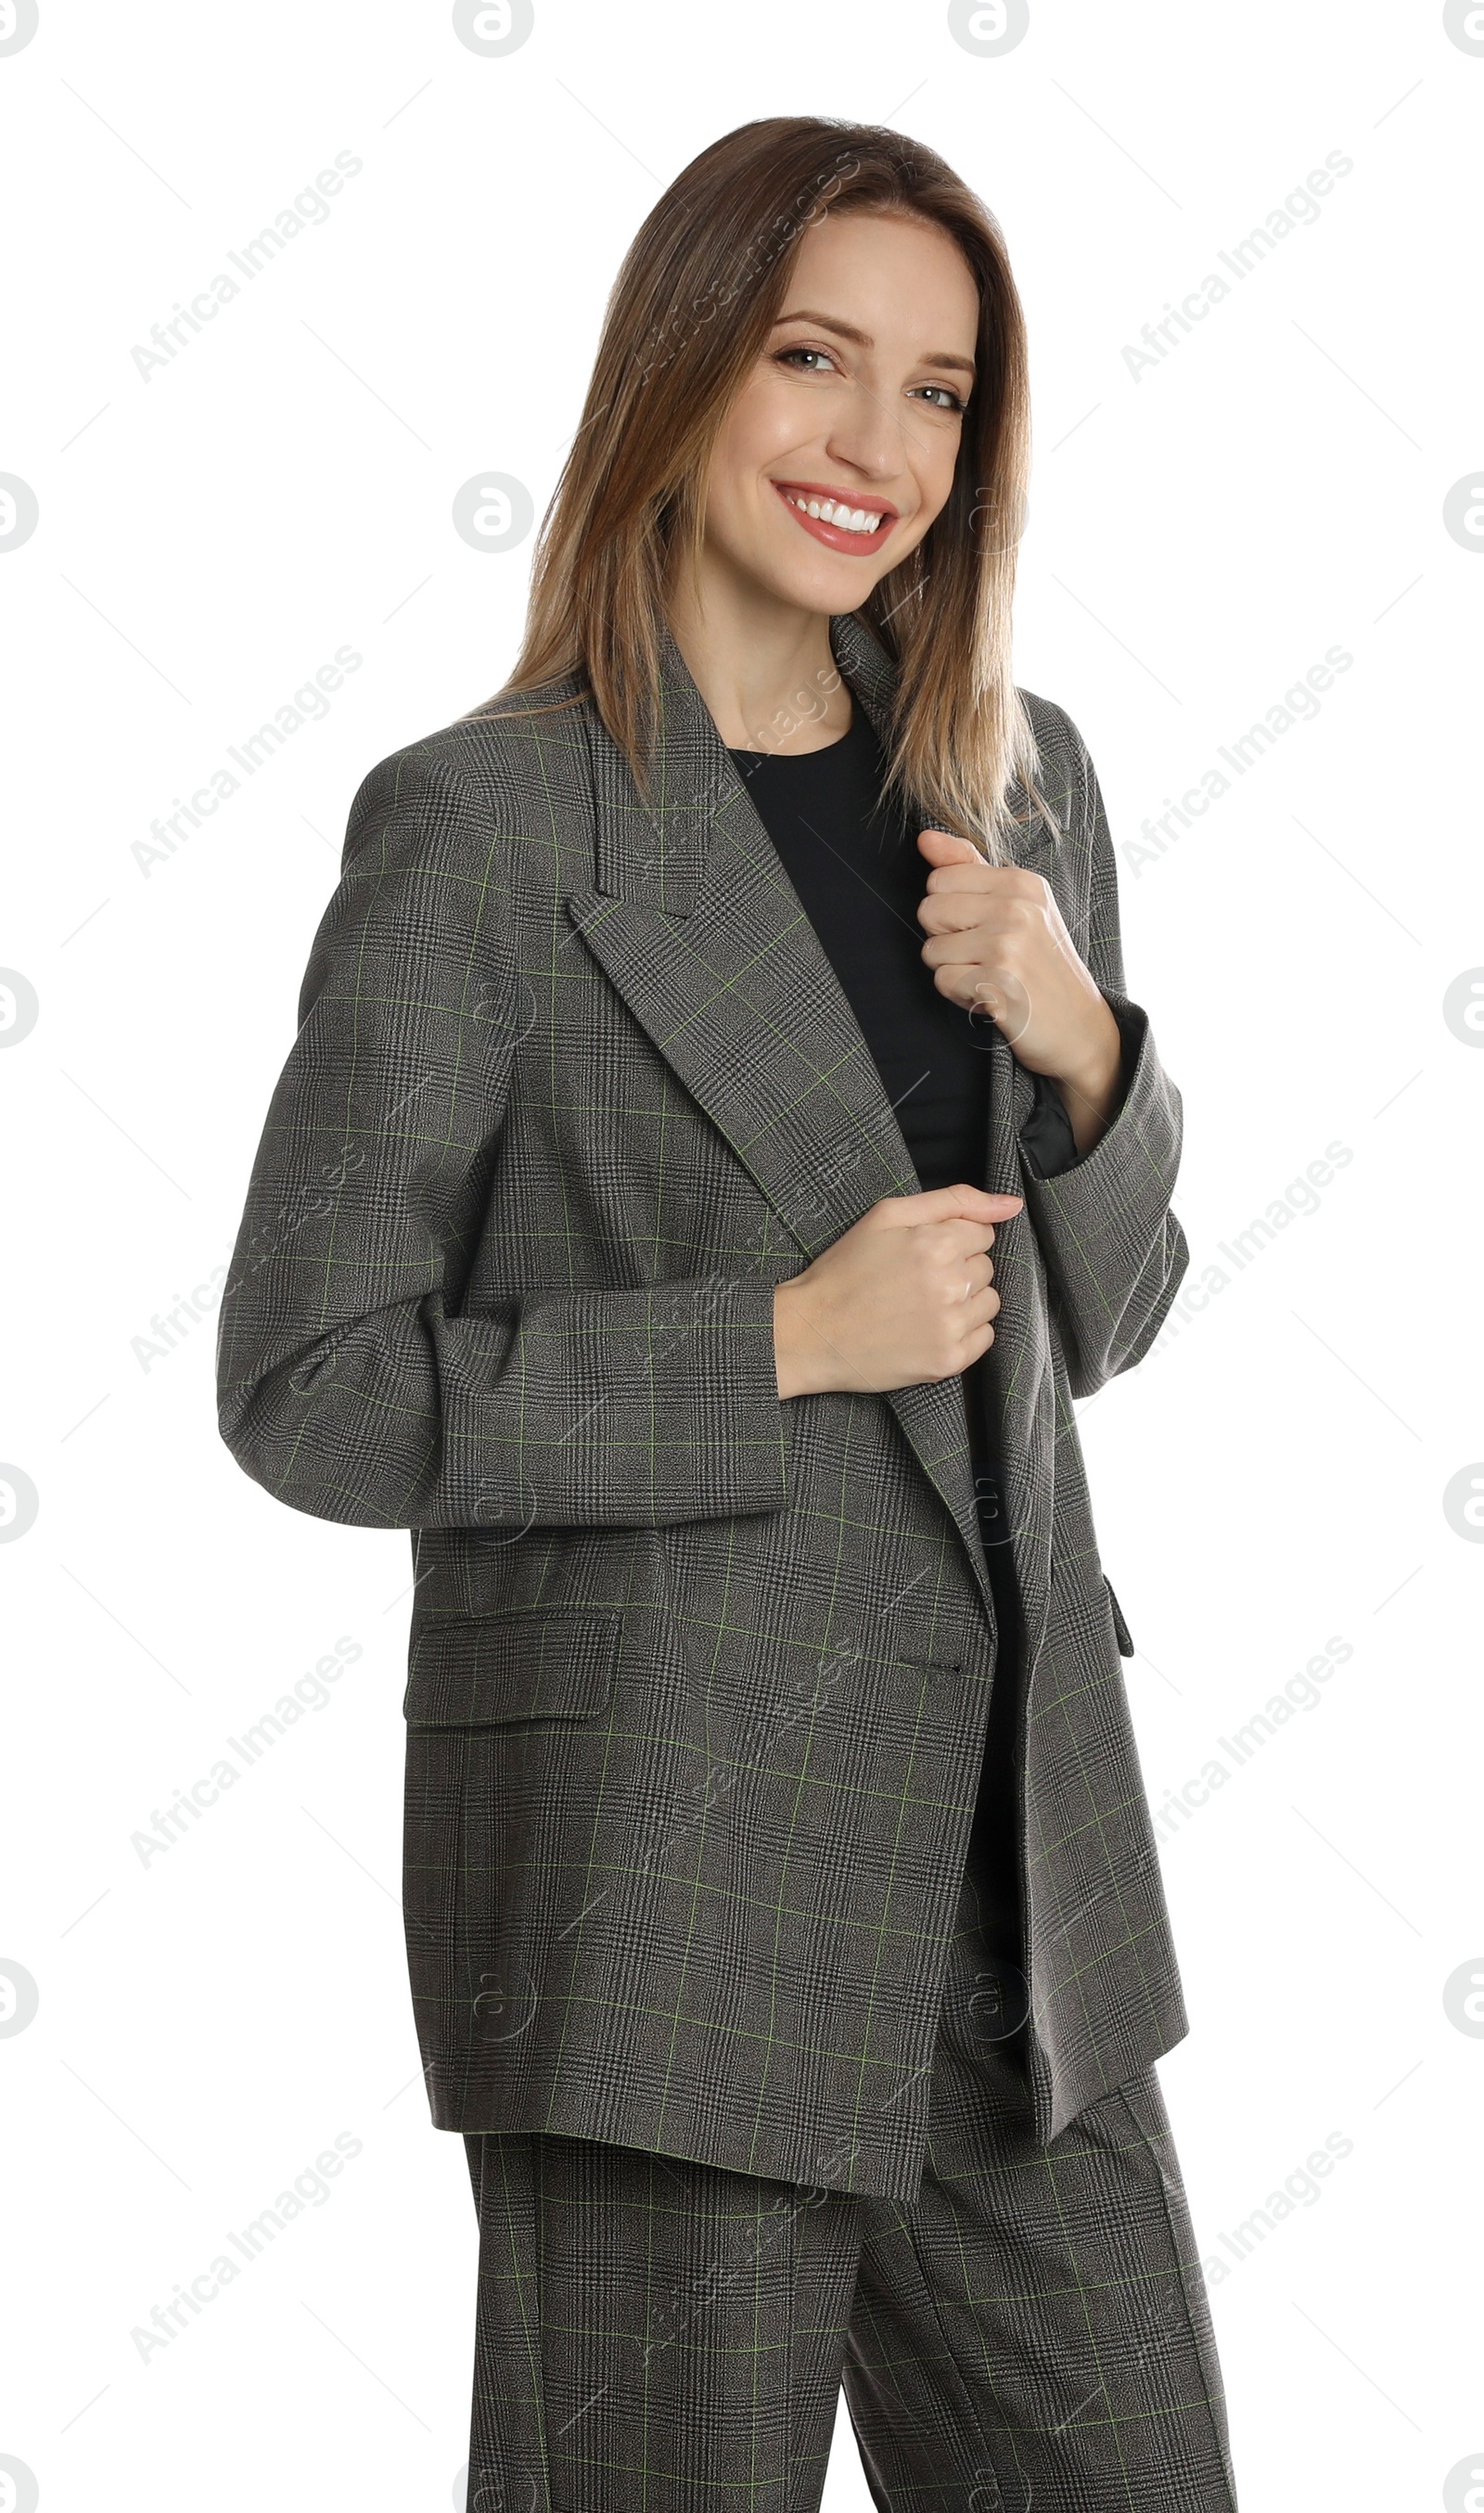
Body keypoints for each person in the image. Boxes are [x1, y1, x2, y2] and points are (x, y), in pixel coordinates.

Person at [217, 115, 1237, 2513]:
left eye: (940, 391)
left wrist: (1091, 1054)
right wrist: (773, 1340)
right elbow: (310, 1386)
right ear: (683, 367)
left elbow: (1100, 1330)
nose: (876, 446)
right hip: (667, 1900)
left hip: (1020, 1917)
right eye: (814, 359)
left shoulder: (1015, 782)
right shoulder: (490, 828)